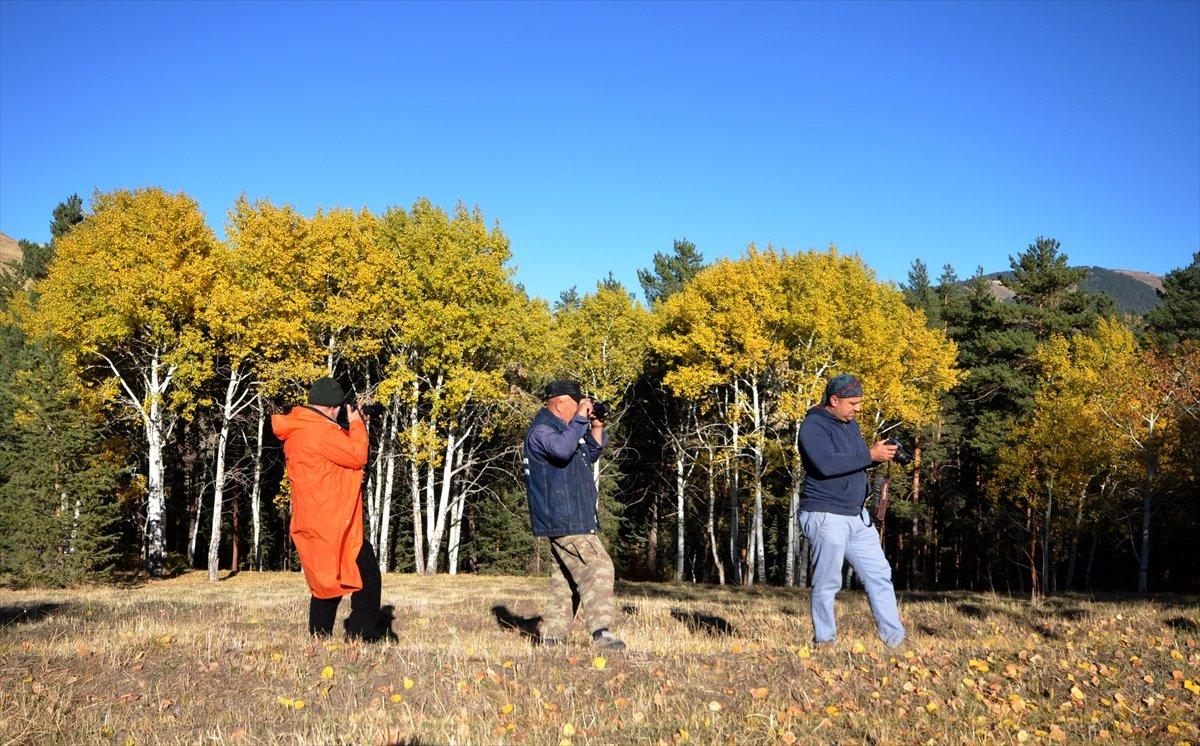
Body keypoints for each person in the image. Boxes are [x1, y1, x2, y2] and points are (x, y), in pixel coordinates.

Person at [798, 373, 906, 649]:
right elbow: (826, 464)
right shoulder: (813, 426)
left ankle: (895, 641)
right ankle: (825, 641)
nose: (858, 408)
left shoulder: (849, 424)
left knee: (879, 575)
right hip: (826, 515)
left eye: (859, 403)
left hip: (857, 516)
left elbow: (854, 462)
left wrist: (879, 455)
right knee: (828, 582)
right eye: (853, 403)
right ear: (834, 400)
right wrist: (869, 455)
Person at [271, 377, 382, 640]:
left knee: (326, 580)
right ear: (333, 408)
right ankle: (360, 636)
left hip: (315, 516)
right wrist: (356, 423)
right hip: (332, 518)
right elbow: (356, 454)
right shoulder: (318, 432)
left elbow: (337, 454)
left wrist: (358, 422)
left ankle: (319, 639)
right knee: (366, 576)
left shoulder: (301, 428)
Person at [523, 380, 625, 651]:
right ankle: (601, 633)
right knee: (599, 566)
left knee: (566, 578)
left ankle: (552, 637)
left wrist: (597, 426)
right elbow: (562, 450)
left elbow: (588, 453)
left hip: (572, 514)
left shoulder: (566, 430)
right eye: (576, 402)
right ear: (558, 404)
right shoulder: (542, 431)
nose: (583, 407)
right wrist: (580, 418)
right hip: (564, 515)